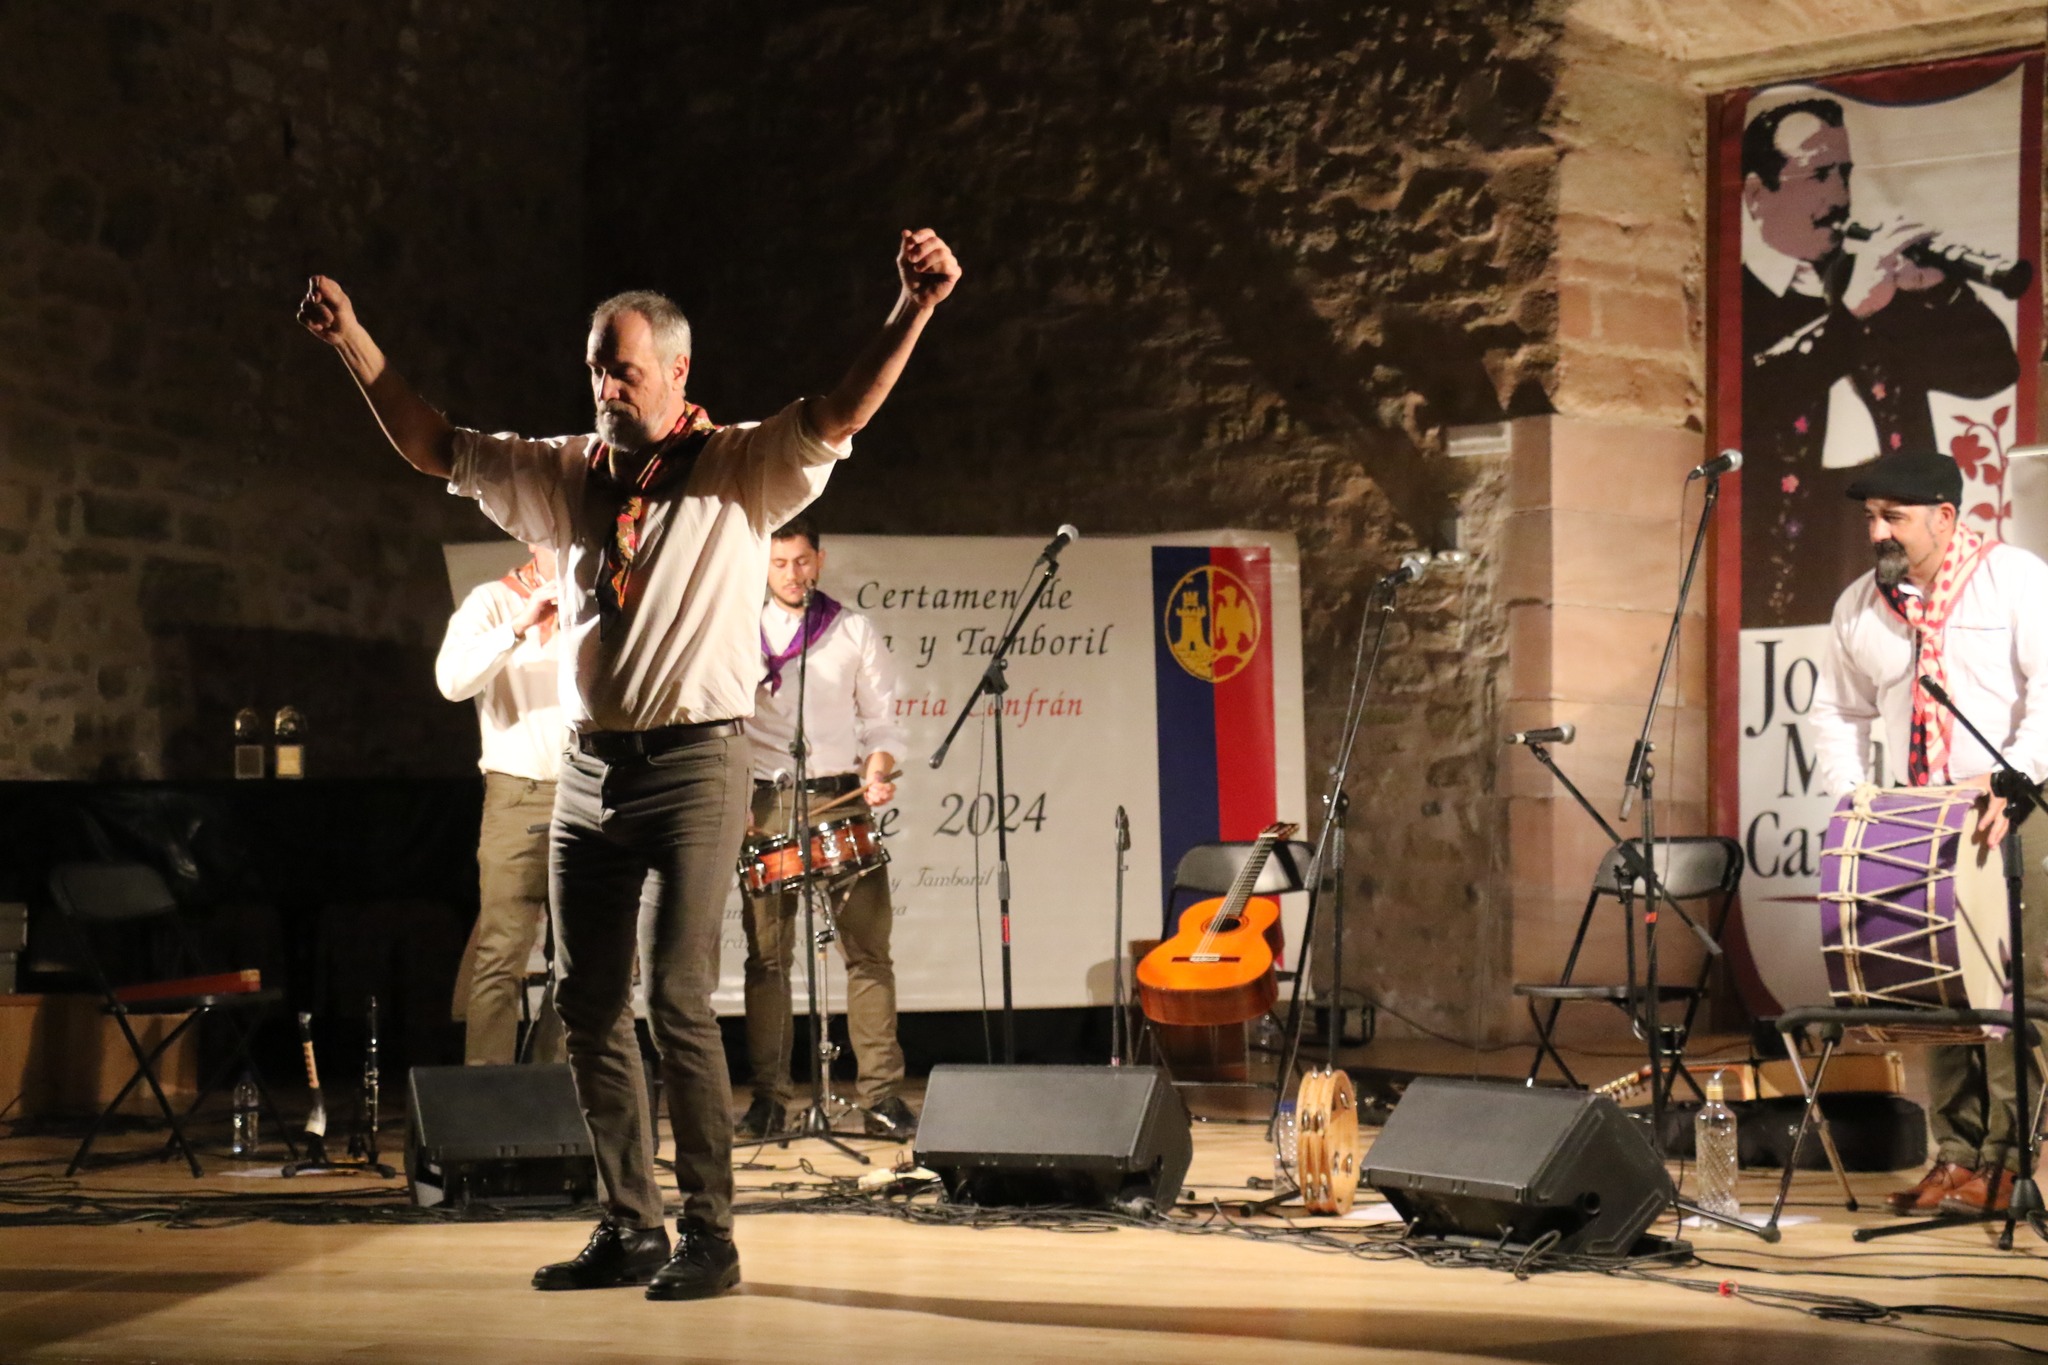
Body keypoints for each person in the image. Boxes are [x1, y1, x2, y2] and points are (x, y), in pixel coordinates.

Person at [297, 228, 961, 1299]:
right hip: (587, 772)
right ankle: (630, 1224)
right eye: (596, 366)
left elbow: (839, 411)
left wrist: (912, 309)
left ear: (678, 373)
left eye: (625, 367)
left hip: (699, 766)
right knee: (589, 1001)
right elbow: (433, 444)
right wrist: (354, 342)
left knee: (679, 999)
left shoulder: (739, 464)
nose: (606, 384)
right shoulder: (566, 473)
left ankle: (709, 1232)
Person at [1809, 448, 2048, 1216]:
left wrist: (2014, 778)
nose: (1878, 530)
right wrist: (1852, 802)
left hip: (2012, 804)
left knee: (2011, 988)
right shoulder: (1860, 604)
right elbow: (1835, 710)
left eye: (1895, 516)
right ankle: (1956, 1155)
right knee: (1936, 987)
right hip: (1921, 817)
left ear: (1946, 516)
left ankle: (2011, 1160)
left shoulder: (2014, 577)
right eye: (1871, 516)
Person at [1739, 97, 2019, 627]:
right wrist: (1853, 311)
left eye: (1844, 174)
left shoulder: (1872, 276)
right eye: (1818, 175)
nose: (1840, 197)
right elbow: (1760, 399)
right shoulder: (1741, 299)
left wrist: (1937, 291)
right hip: (1785, 555)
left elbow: (1990, 373)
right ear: (1756, 195)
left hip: (1897, 545)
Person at [738, 516, 914, 1141]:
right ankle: (768, 1098)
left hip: (839, 797)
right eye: (780, 563)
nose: (793, 574)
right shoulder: (737, 631)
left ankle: (881, 1096)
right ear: (763, 565)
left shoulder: (851, 629)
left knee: (868, 951)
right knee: (768, 960)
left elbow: (884, 723)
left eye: (802, 561)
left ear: (820, 559)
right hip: (764, 803)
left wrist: (878, 772)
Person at [436, 542, 569, 1067]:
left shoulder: (605, 601)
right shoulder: (491, 601)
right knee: (501, 952)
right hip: (520, 794)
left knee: (585, 960)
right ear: (532, 541)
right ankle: (487, 1101)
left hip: (590, 793)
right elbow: (451, 682)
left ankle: (555, 1093)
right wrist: (517, 628)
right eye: (552, 532)